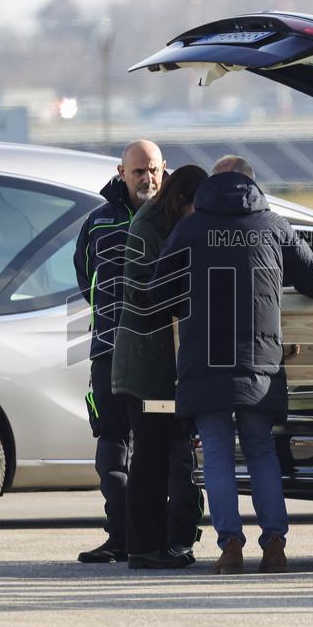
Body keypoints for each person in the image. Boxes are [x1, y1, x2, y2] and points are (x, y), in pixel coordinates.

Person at [150, 156, 313, 574]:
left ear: (212, 184)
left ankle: (230, 545)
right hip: (261, 363)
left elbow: (157, 289)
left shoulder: (191, 227)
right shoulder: (273, 225)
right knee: (261, 452)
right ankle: (274, 546)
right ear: (252, 183)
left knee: (215, 454)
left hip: (204, 361)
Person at [73, 139, 166, 563]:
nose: (146, 179)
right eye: (138, 172)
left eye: (153, 171)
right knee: (112, 442)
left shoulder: (175, 218)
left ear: (164, 170)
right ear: (121, 172)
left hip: (161, 355)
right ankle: (121, 535)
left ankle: (164, 536)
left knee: (163, 445)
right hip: (108, 351)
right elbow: (84, 277)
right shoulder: (97, 222)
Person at [111, 164, 207, 569]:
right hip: (148, 367)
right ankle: (146, 547)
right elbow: (143, 293)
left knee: (165, 454)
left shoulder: (158, 222)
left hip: (158, 364)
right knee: (151, 456)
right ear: (183, 201)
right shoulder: (150, 228)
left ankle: (160, 541)